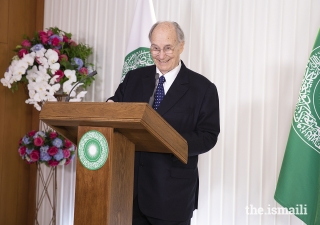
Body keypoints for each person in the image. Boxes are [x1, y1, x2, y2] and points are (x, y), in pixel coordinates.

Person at [107, 21, 220, 225]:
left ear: (181, 46)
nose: (161, 55)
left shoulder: (202, 88)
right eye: (155, 48)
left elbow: (208, 136)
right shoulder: (134, 78)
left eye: (168, 48)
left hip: (171, 197)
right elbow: (115, 110)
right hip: (128, 193)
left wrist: (169, 140)